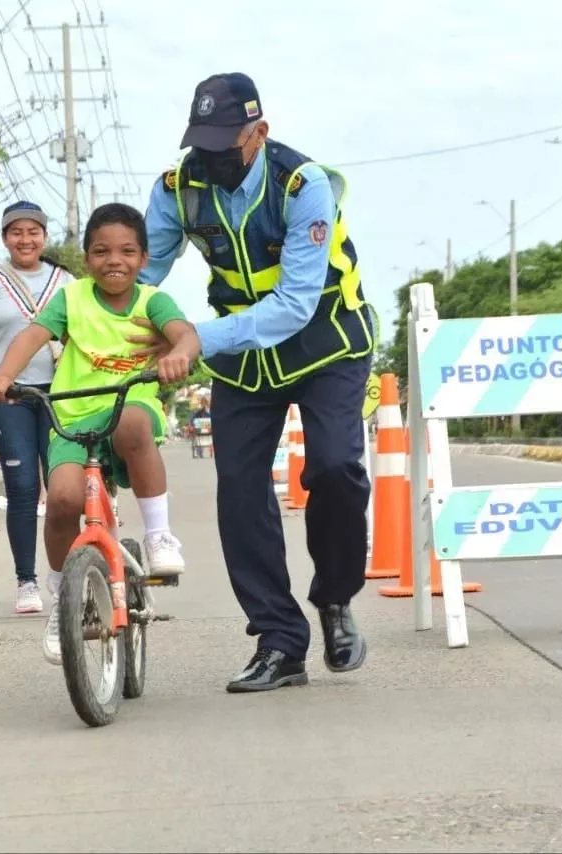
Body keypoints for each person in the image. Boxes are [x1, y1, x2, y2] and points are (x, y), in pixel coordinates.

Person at [134, 73, 377, 693]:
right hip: (246, 360)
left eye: (224, 144)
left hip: (324, 340)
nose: (208, 158)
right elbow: (141, 276)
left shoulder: (303, 185)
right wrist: (91, 326)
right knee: (239, 491)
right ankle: (279, 641)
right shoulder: (177, 188)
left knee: (334, 471)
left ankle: (335, 601)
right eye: (200, 143)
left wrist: (192, 338)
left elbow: (294, 304)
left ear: (258, 132)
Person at [0, 202, 198, 664]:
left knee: (135, 424)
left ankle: (159, 535)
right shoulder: (71, 298)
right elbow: (32, 336)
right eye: (100, 251)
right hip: (73, 413)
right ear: (86, 258)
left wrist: (180, 351)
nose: (113, 260)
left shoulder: (151, 301)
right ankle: (63, 601)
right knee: (61, 501)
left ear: (143, 258)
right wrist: (4, 376)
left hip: (128, 403)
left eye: (126, 251)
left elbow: (186, 333)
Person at [0, 200, 75, 614]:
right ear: (5, 238)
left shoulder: (65, 281)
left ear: (44, 237)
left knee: (64, 488)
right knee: (23, 488)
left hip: (59, 394)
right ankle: (25, 581)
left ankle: (64, 572)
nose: (25, 239)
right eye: (17, 232)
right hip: (7, 395)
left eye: (33, 232)